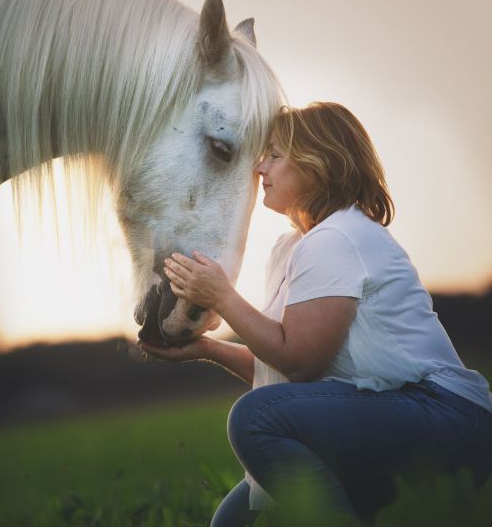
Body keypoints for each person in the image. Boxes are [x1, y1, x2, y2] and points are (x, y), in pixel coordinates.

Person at [138, 102, 492, 525]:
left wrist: (222, 297)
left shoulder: (338, 237)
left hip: (444, 416)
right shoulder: (296, 246)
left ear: (319, 165)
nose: (258, 166)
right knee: (231, 520)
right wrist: (208, 349)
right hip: (390, 409)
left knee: (258, 418)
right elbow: (284, 363)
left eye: (274, 154)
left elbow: (303, 362)